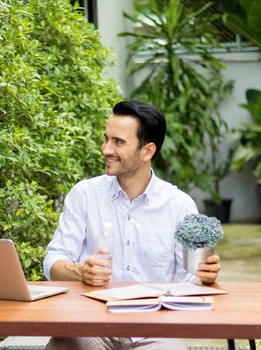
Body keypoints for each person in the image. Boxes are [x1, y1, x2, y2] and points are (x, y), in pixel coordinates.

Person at [43, 100, 221, 350]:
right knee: (64, 344)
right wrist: (80, 271)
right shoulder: (84, 194)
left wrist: (205, 277)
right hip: (88, 325)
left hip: (152, 332)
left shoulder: (179, 205)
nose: (106, 149)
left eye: (118, 142)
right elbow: (54, 261)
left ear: (147, 151)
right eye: (106, 139)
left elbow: (190, 278)